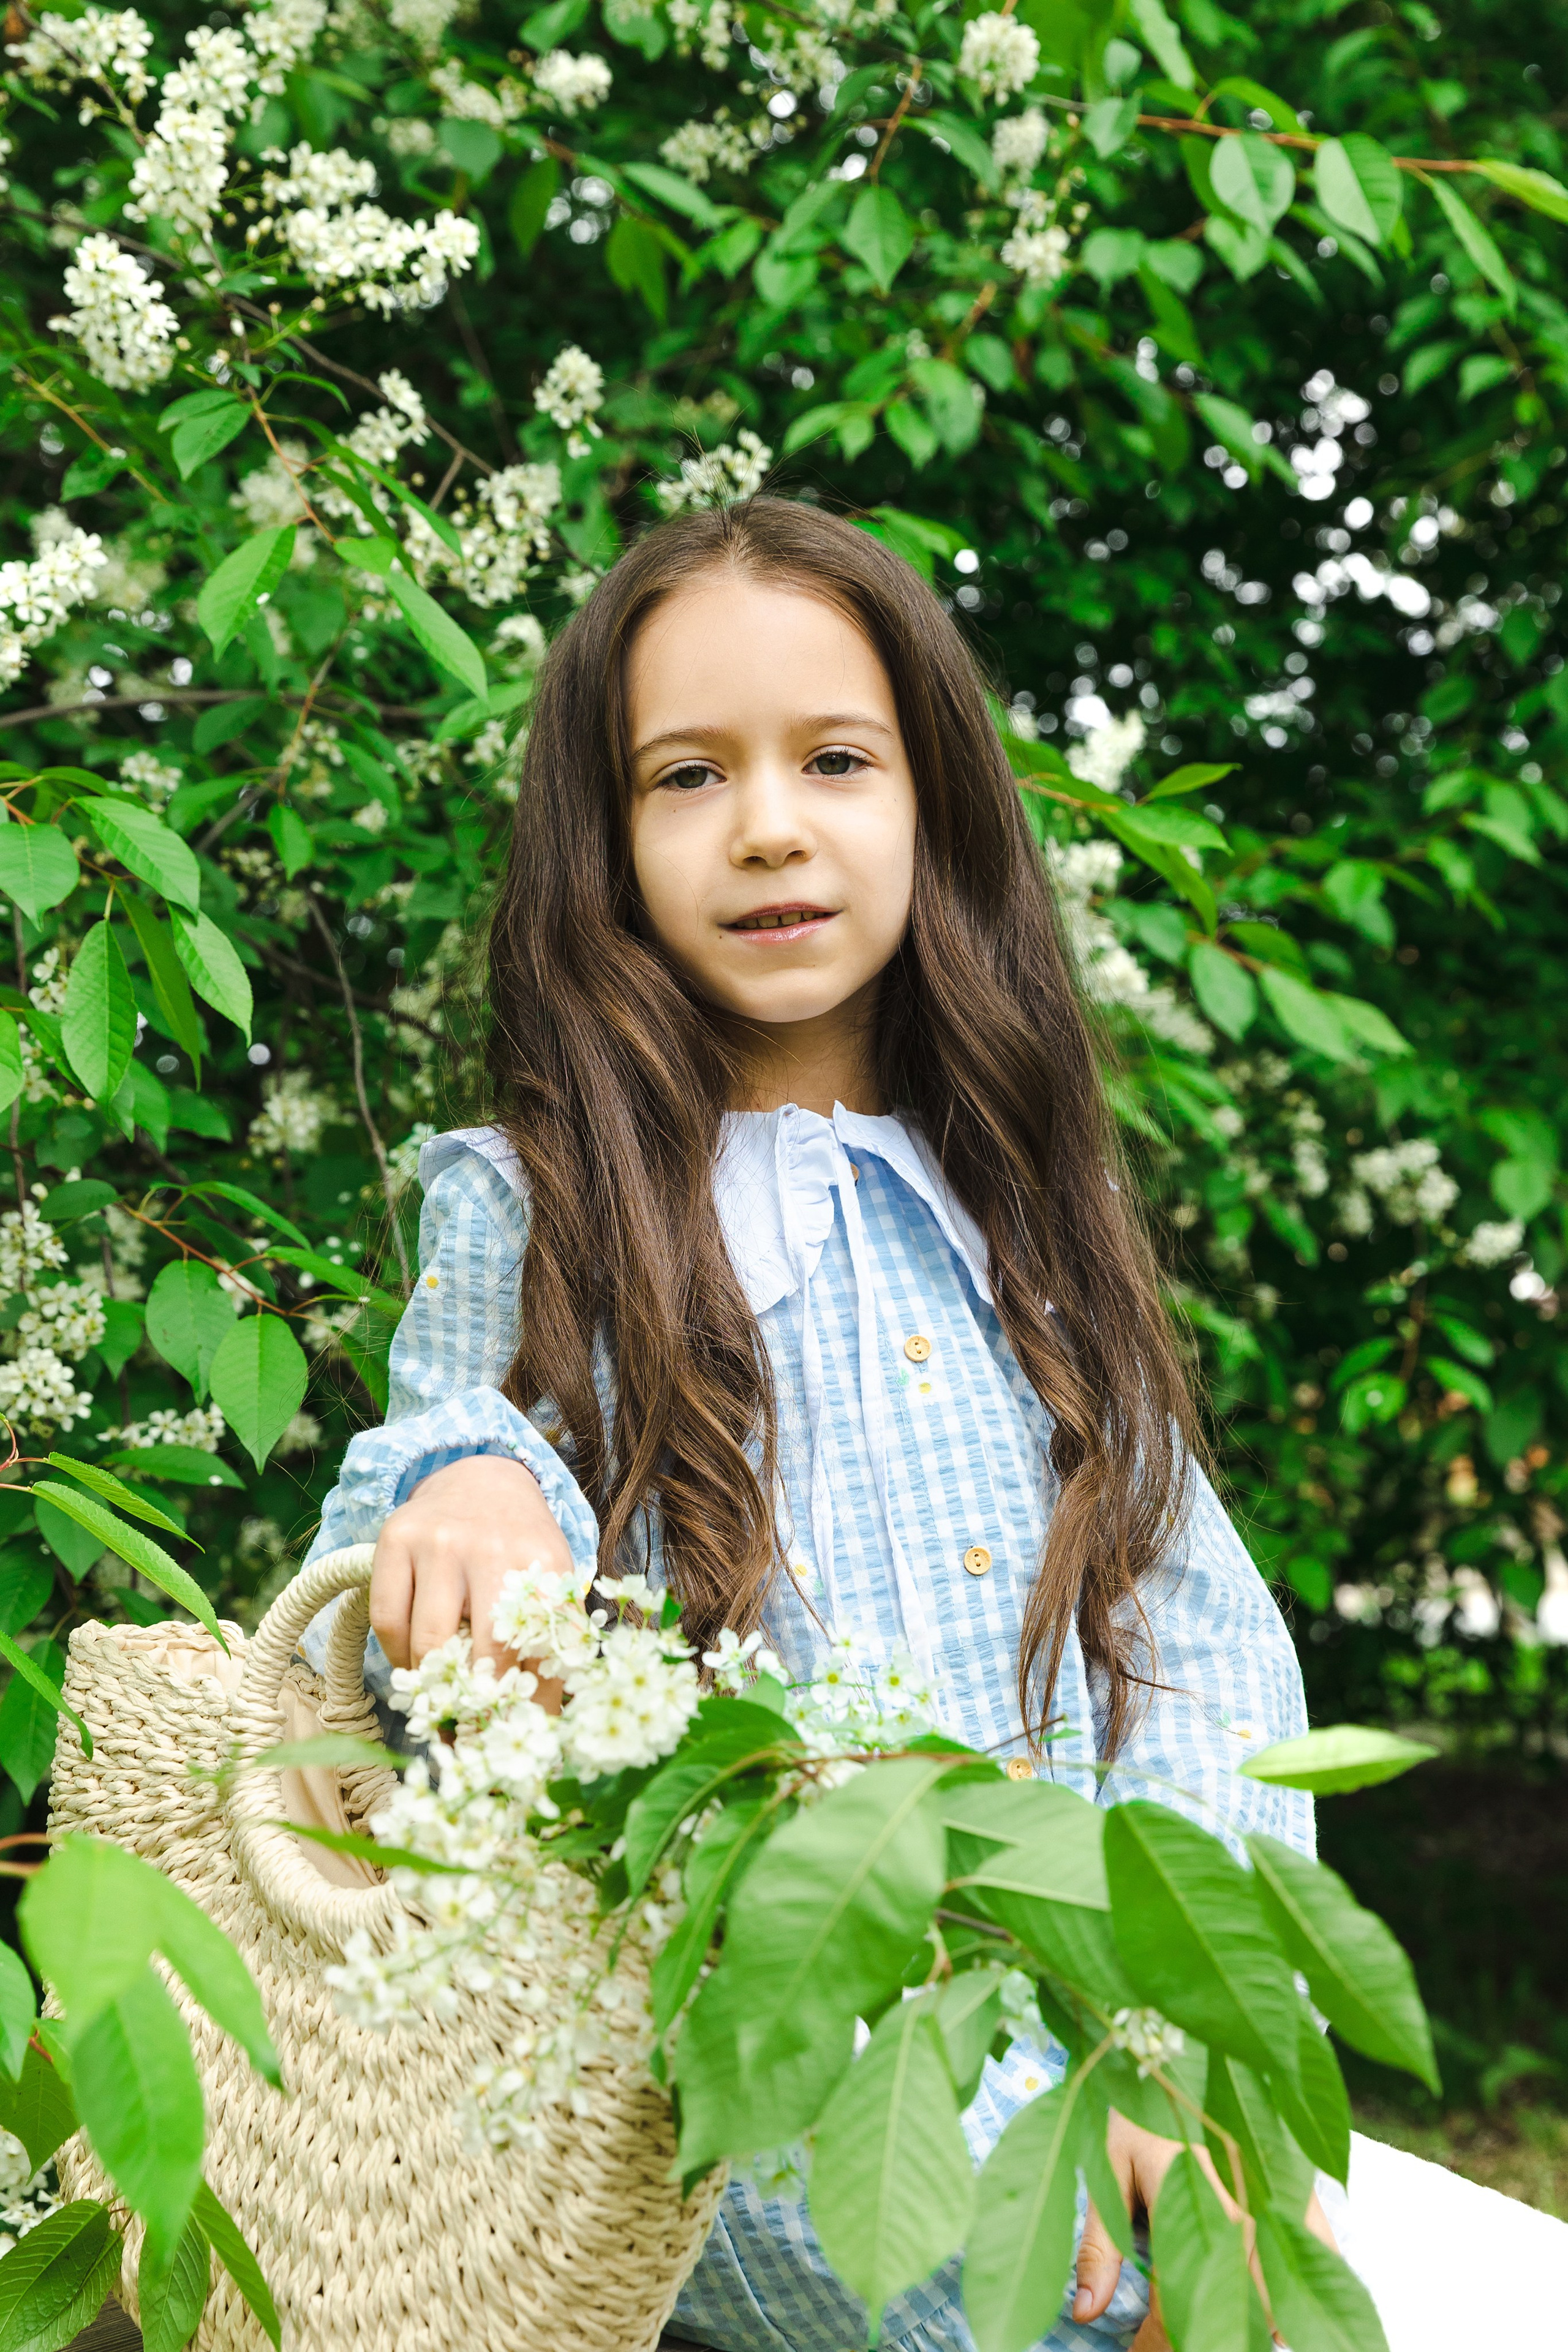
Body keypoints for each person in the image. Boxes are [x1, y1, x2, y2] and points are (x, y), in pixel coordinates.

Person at [303, 496, 1334, 2351]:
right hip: (743, 2019)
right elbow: (425, 1550)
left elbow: (1200, 1655)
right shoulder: (540, 1205)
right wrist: (467, 1480)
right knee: (986, 2252)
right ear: (606, 845)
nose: (768, 824)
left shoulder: (1028, 1212)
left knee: (1228, 2233)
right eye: (688, 775)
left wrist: (1177, 2042)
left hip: (1087, 1994)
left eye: (836, 760)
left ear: (936, 802)